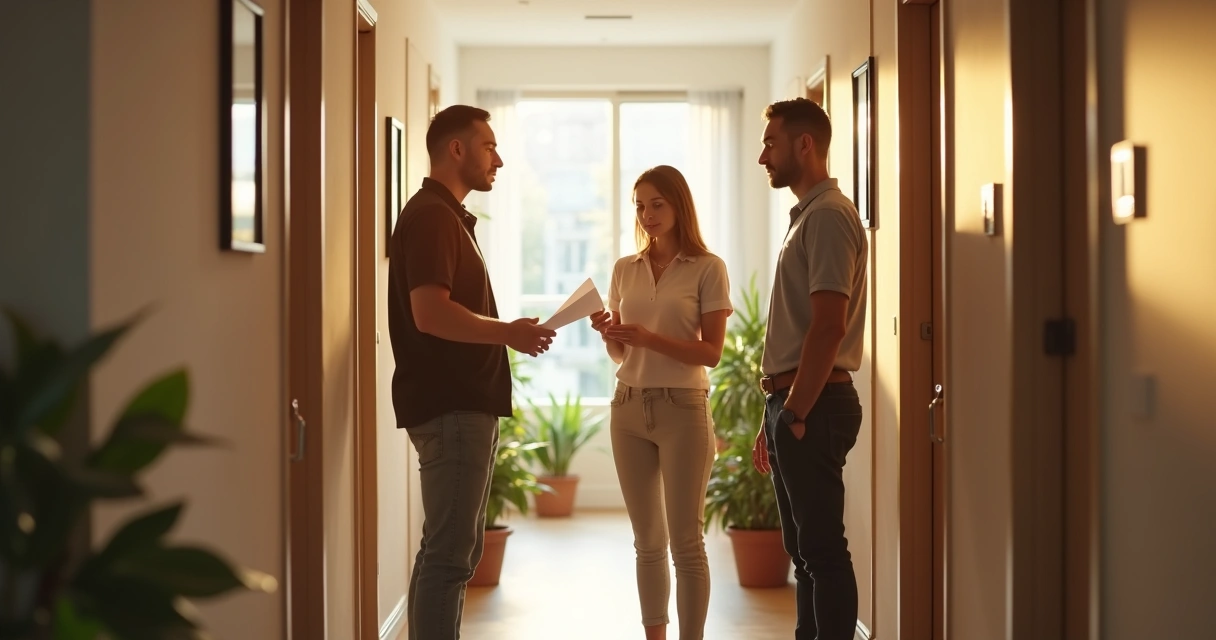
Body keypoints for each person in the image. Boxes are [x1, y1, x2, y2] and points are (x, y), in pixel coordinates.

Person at [388, 104, 556, 640]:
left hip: (456, 408)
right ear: (456, 149)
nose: (499, 160)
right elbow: (429, 313)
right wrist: (509, 332)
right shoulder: (434, 217)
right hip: (452, 409)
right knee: (449, 557)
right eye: (489, 146)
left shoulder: (443, 215)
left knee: (447, 552)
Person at [588, 165, 733, 640]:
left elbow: (711, 352)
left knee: (686, 543)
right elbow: (621, 353)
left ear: (678, 206)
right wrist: (612, 335)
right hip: (628, 406)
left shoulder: (708, 268)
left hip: (684, 409)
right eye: (639, 205)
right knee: (647, 542)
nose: (646, 215)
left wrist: (649, 337)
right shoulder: (624, 269)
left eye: (657, 204)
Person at [752, 98, 869, 640]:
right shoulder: (808, 216)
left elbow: (827, 326)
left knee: (821, 550)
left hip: (814, 403)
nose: (762, 157)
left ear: (805, 145)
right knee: (805, 553)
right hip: (797, 401)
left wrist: (794, 409)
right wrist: (773, 414)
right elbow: (799, 330)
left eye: (770, 143)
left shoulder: (827, 216)